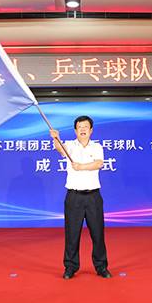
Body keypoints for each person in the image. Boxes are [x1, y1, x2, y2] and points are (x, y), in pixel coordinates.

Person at [50, 115, 111, 280]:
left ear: (91, 130)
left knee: (98, 234)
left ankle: (101, 266)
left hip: (93, 197)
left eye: (85, 127)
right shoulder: (70, 146)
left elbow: (98, 163)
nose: (83, 129)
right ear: (75, 130)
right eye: (79, 127)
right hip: (74, 197)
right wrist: (55, 138)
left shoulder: (97, 147)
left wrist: (81, 167)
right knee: (72, 234)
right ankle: (70, 267)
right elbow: (59, 149)